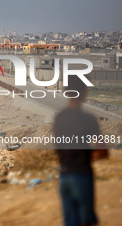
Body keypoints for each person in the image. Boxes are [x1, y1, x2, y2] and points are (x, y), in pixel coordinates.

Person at [54, 75, 108, 226]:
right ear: (84, 92)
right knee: (86, 222)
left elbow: (59, 148)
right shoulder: (88, 119)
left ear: (65, 92)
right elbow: (102, 151)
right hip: (82, 175)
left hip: (64, 177)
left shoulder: (59, 118)